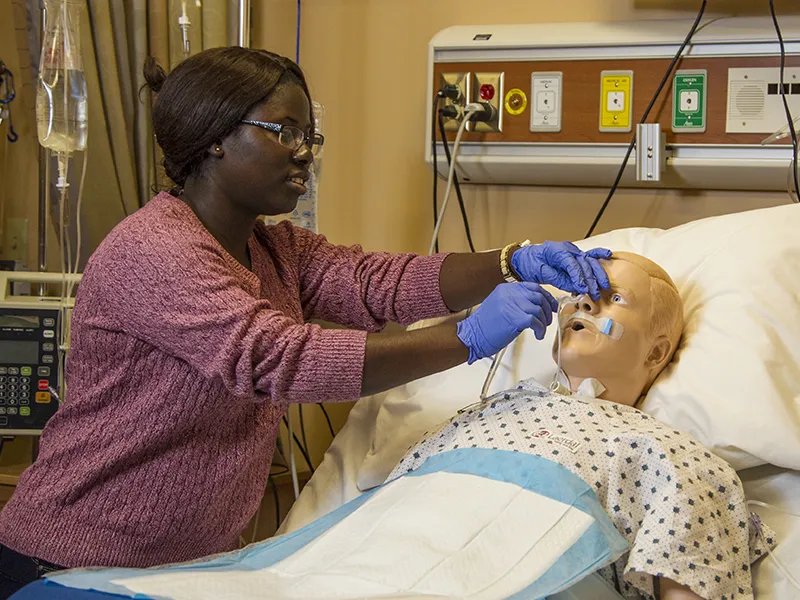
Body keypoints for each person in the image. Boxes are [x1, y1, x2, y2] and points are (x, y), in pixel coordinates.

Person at [0, 46, 612, 596]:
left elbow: (379, 283)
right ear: (214, 136)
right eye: (283, 130)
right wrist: (468, 337)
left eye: (310, 135)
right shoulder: (157, 250)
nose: (304, 152)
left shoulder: (275, 250)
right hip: (70, 561)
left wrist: (511, 260)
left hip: (185, 571)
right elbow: (280, 360)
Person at [390, 252, 775, 600]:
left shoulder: (673, 456)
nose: (585, 302)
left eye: (614, 298)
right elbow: (385, 517)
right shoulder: (479, 414)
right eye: (578, 292)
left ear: (656, 352)